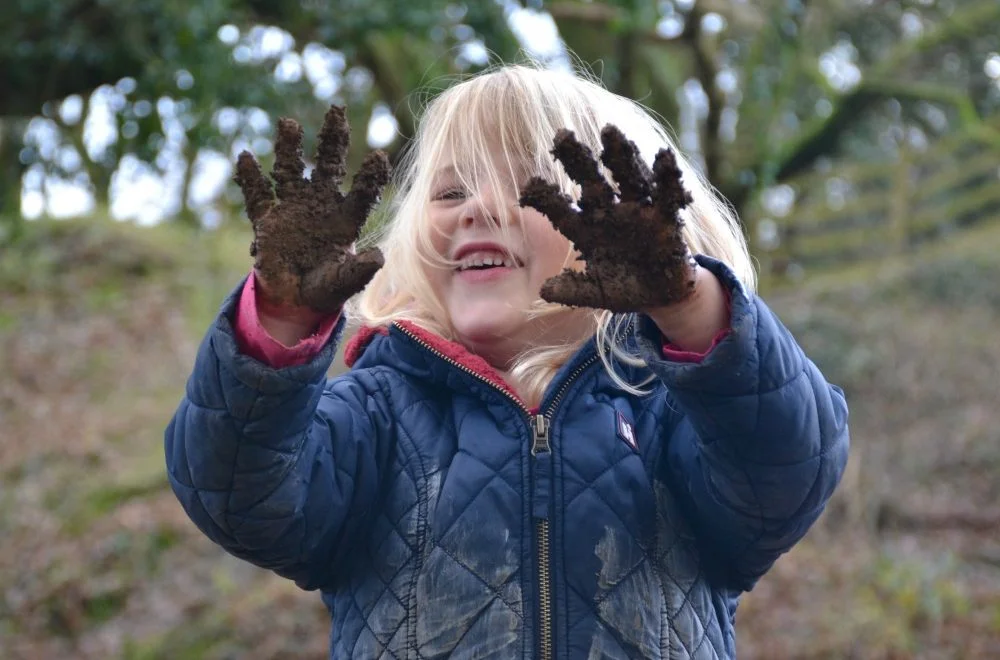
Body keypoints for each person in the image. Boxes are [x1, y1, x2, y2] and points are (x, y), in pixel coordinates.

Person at [165, 63, 849, 659]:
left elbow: (786, 471)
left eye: (528, 187)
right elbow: (239, 495)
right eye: (450, 191)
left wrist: (691, 306)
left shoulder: (669, 408)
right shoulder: (376, 412)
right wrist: (278, 321)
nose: (478, 209)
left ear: (645, 228)